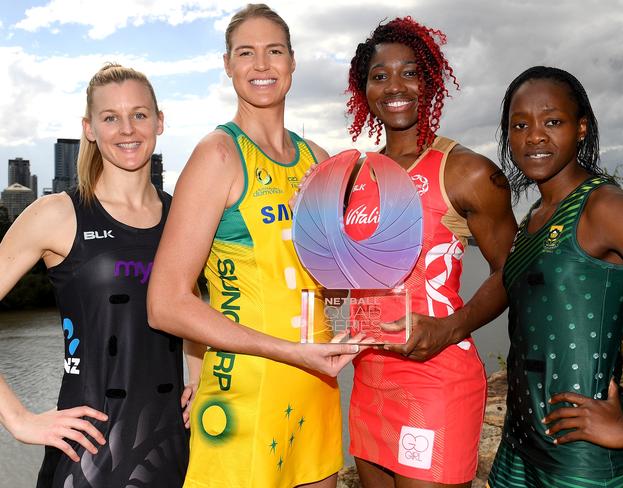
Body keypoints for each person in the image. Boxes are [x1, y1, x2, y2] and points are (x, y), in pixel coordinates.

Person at [146, 4, 360, 488]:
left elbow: (333, 286)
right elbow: (166, 304)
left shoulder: (317, 160)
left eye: (274, 51)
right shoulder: (217, 156)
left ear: (292, 62)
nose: (262, 65)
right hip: (242, 393)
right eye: (247, 52)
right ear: (228, 65)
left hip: (315, 385)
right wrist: (285, 350)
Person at [0, 63, 200, 487]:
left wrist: (200, 377)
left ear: (160, 121)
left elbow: (191, 308)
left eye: (140, 114)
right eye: (111, 117)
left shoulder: (185, 216)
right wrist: (18, 419)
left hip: (175, 447)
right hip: (88, 455)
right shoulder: (56, 214)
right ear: (90, 128)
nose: (127, 129)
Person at [343, 17, 517, 488]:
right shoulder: (354, 176)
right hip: (369, 379)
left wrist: (447, 328)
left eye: (410, 72)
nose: (394, 86)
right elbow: (344, 281)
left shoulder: (467, 172)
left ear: (431, 81)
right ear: (365, 91)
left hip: (437, 377)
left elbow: (513, 270)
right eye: (379, 76)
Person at [486, 66, 623, 487]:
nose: (534, 136)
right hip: (519, 453)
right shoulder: (534, 218)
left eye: (552, 121)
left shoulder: (605, 207)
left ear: (581, 129)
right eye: (519, 125)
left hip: (585, 464)